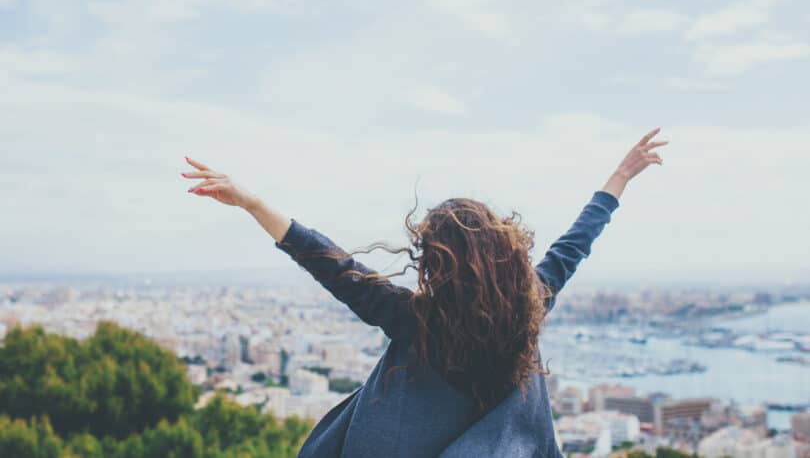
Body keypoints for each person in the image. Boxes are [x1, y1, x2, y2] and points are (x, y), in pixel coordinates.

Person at [181, 127, 667, 457]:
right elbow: (574, 244)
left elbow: (332, 264)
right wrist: (619, 177)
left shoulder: (413, 319)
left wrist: (253, 203)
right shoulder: (531, 304)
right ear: (504, 254)